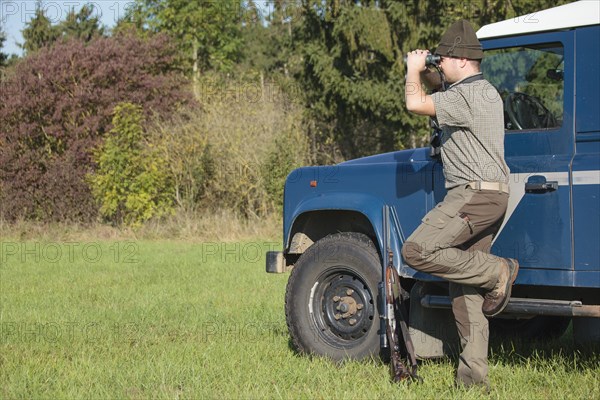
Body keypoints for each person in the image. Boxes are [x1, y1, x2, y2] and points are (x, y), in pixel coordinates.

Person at [401, 19, 519, 389]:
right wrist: (433, 71)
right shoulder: (483, 92)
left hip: (473, 194)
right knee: (463, 289)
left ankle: (498, 272)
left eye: (444, 58)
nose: (440, 65)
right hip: (492, 194)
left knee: (417, 249)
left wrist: (412, 69)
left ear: (463, 60)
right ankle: (472, 381)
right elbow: (441, 89)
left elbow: (414, 102)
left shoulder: (465, 96)